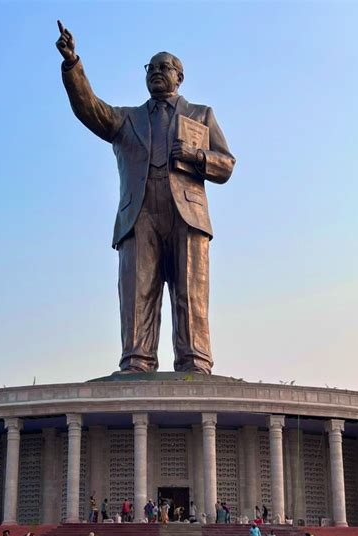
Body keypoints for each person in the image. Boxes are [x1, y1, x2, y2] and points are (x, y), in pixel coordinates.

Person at [56, 23, 235, 375]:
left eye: (163, 67)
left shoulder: (201, 114)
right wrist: (72, 64)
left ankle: (194, 360)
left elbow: (226, 164)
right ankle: (137, 359)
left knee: (190, 293)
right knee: (138, 292)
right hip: (140, 213)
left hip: (187, 214)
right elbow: (88, 108)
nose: (155, 72)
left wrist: (198, 157)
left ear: (179, 76)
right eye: (150, 68)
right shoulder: (127, 119)